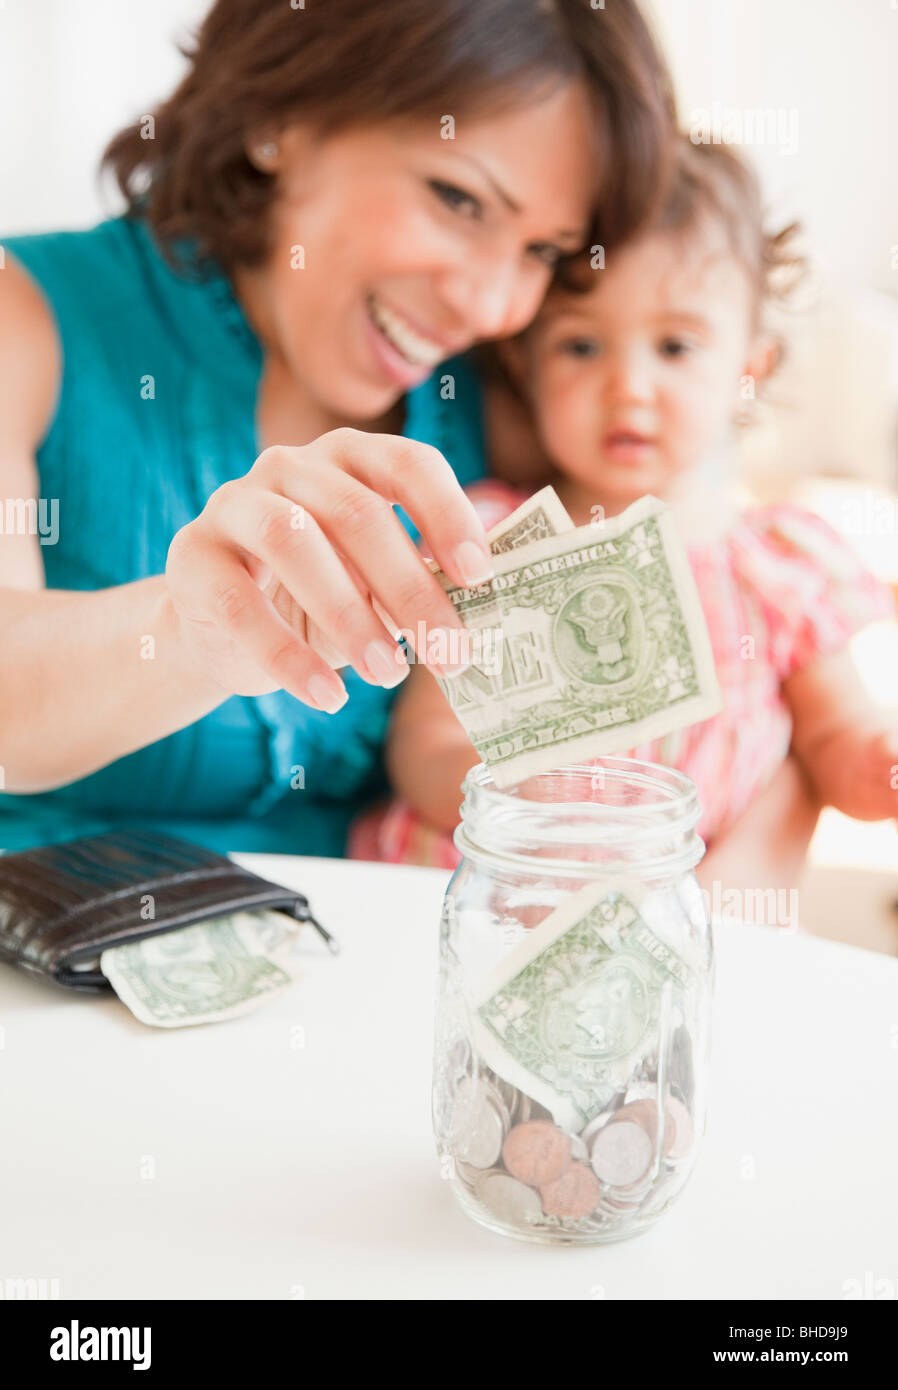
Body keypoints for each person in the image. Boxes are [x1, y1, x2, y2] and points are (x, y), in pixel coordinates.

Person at [0, 0, 675, 854]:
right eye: (458, 198)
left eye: (543, 251)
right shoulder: (22, 319)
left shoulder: (490, 407)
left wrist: (774, 824)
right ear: (280, 117)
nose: (489, 304)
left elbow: (725, 578)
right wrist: (192, 630)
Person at [352, 139, 898, 890]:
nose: (629, 387)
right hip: (478, 899)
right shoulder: (484, 538)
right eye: (581, 346)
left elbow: (836, 734)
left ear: (748, 369)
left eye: (675, 346)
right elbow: (423, 741)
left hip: (669, 925)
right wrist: (513, 796)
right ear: (526, 364)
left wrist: (876, 766)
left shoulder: (779, 564)